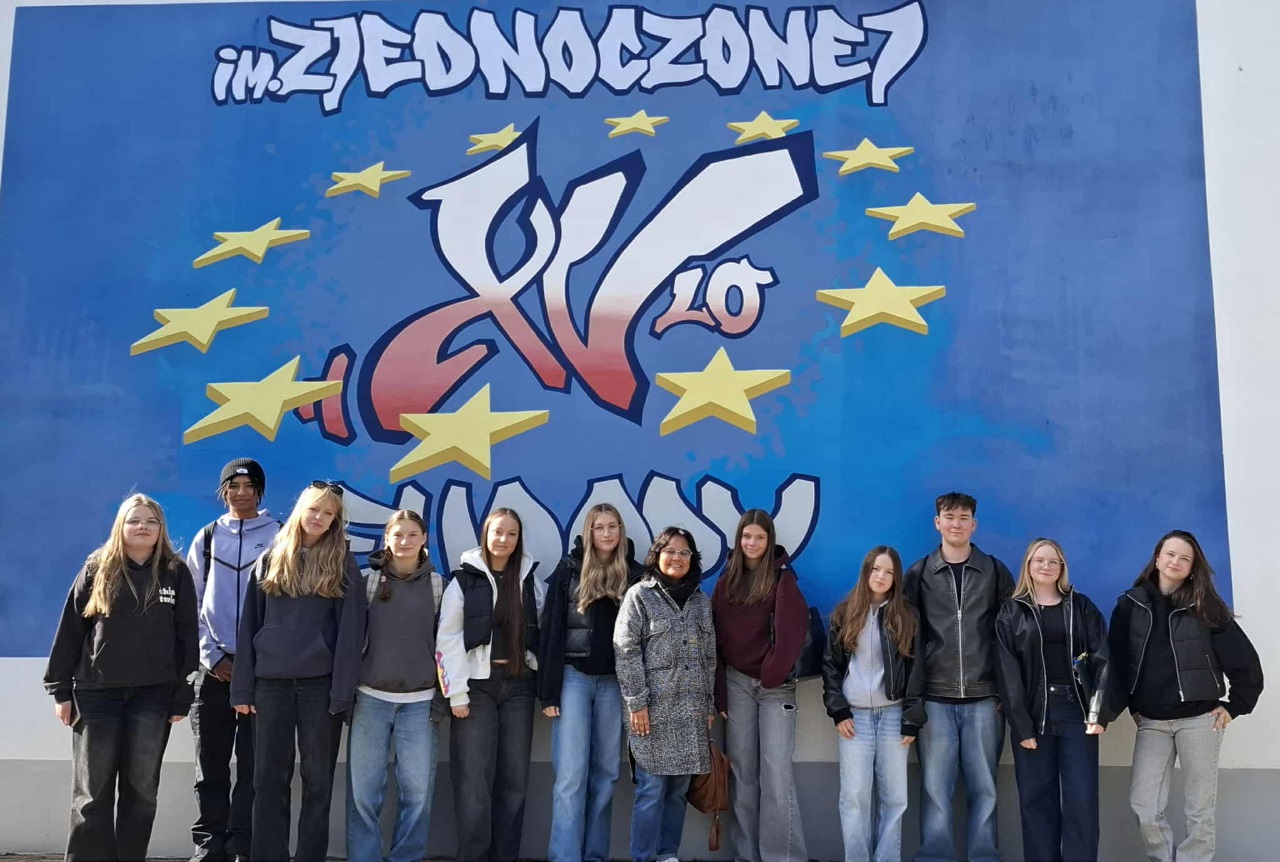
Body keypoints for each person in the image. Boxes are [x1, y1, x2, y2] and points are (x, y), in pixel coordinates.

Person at [44, 493, 199, 862]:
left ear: (161, 529)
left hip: (153, 698)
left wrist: (182, 695)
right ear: (121, 526)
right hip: (96, 695)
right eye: (135, 520)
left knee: (141, 792)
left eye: (151, 521)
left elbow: (187, 637)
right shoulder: (97, 569)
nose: (143, 527)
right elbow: (70, 631)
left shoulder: (176, 573)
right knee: (91, 794)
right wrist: (60, 690)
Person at [230, 480, 366, 862]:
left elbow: (351, 635)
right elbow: (249, 625)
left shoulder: (343, 564)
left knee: (317, 783)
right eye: (313, 509)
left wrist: (342, 693)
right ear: (300, 511)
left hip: (320, 689)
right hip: (270, 687)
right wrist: (242, 689)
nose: (319, 518)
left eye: (328, 513)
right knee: (267, 781)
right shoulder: (271, 558)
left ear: (336, 520)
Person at [1108, 530, 1264, 862]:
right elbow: (1118, 662)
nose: (1175, 561)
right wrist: (1132, 705)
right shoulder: (1130, 604)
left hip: (1199, 720)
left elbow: (1245, 661)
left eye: (1185, 558)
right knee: (1144, 805)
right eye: (1170, 554)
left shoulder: (1206, 606)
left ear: (1193, 567)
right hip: (1152, 721)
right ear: (1157, 558)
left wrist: (1235, 706)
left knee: (1199, 810)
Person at [903, 492, 1013, 862]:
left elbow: (1011, 636)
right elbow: (907, 640)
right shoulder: (919, 573)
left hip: (985, 698)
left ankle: (984, 856)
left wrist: (1005, 693)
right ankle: (936, 856)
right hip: (935, 698)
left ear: (974, 525)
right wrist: (913, 697)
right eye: (949, 517)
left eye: (964, 517)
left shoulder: (994, 571)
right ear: (937, 523)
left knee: (985, 789)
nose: (956, 524)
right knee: (935, 789)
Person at [435, 507, 545, 862]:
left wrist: (535, 666)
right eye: (498, 532)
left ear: (519, 538)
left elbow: (544, 630)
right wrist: (456, 694)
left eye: (512, 533)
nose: (504, 539)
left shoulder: (529, 579)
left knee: (514, 781)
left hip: (518, 687)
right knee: (473, 781)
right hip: (476, 689)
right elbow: (448, 639)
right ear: (485, 534)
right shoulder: (464, 580)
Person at [538, 504, 644, 862]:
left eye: (613, 526)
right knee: (570, 776)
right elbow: (551, 631)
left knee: (606, 774)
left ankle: (595, 855)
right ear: (589, 531)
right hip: (574, 680)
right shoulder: (569, 570)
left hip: (615, 683)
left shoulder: (635, 575)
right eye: (600, 527)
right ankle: (565, 856)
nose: (607, 533)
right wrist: (548, 692)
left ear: (621, 531)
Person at [995, 538, 1110, 862]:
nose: (1045, 566)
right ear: (1028, 566)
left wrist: (1098, 713)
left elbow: (1103, 660)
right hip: (1034, 717)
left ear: (1062, 568)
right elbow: (1007, 671)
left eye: (1052, 561)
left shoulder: (1082, 607)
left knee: (1081, 803)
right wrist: (1022, 726)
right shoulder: (1011, 612)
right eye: (1039, 560)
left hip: (1077, 716)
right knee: (1036, 803)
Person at [187, 458, 279, 862]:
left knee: (254, 765)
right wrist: (211, 656)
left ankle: (243, 842)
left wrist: (258, 659)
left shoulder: (279, 535)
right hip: (213, 671)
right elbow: (190, 605)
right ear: (223, 492)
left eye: (249, 485)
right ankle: (209, 844)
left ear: (260, 490)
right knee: (210, 764)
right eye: (233, 486)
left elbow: (284, 605)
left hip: (260, 671)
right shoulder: (207, 537)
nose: (241, 493)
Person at [710, 509, 810, 862]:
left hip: (775, 689)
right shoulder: (725, 584)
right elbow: (714, 642)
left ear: (769, 542)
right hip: (736, 684)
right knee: (742, 773)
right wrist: (720, 694)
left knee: (776, 775)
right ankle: (746, 855)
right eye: (746, 536)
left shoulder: (783, 581)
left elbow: (791, 636)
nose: (752, 543)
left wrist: (771, 675)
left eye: (760, 537)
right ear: (739, 540)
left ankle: (782, 857)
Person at [346, 509, 445, 862]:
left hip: (420, 703)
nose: (404, 541)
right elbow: (352, 640)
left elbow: (445, 646)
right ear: (386, 539)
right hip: (370, 699)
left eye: (412, 534)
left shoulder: (439, 585)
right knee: (364, 794)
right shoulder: (368, 581)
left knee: (417, 793)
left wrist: (441, 698)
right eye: (397, 534)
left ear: (424, 539)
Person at [615, 526, 717, 862]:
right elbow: (626, 650)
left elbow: (709, 657)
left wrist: (708, 705)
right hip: (652, 712)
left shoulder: (701, 602)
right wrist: (636, 703)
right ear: (657, 555)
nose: (677, 558)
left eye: (684, 552)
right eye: (670, 551)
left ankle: (668, 854)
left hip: (691, 711)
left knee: (678, 790)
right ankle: (643, 856)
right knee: (652, 789)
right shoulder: (639, 596)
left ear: (693, 559)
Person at [821, 546, 925, 862]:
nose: (881, 576)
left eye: (889, 572)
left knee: (895, 798)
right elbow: (830, 666)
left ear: (897, 578)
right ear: (866, 571)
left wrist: (912, 718)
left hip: (894, 715)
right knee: (854, 798)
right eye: (876, 569)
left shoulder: (906, 615)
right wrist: (838, 710)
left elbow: (917, 669)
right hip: (855, 719)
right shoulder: (845, 613)